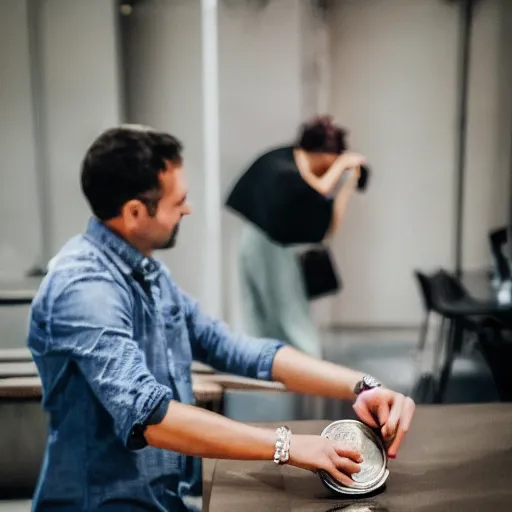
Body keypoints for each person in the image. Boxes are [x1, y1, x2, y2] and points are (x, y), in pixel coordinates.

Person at [27, 125, 415, 512]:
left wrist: (363, 385)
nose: (187, 209)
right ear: (133, 213)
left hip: (161, 499)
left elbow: (232, 347)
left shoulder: (147, 272)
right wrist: (287, 445)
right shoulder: (84, 287)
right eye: (178, 201)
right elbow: (149, 416)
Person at [227, 116, 363, 359]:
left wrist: (349, 182)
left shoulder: (298, 173)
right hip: (263, 243)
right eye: (330, 164)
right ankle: (304, 363)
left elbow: (329, 225)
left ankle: (288, 363)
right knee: (279, 311)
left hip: (273, 245)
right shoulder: (281, 168)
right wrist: (341, 166)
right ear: (323, 154)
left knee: (278, 309)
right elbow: (314, 188)